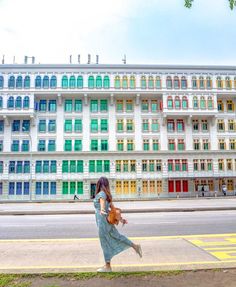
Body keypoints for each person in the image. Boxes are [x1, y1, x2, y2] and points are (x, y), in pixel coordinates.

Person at [94, 176, 142, 272]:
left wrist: (102, 210)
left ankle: (108, 266)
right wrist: (121, 219)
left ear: (99, 184)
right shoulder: (107, 195)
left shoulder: (101, 194)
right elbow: (114, 210)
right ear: (106, 184)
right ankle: (135, 246)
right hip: (107, 222)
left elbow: (102, 205)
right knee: (118, 236)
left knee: (105, 243)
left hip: (102, 223)